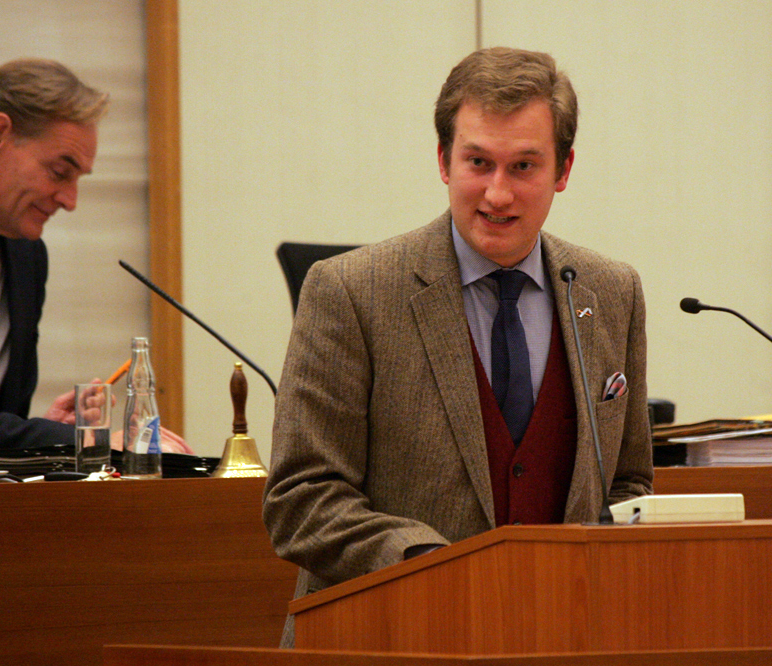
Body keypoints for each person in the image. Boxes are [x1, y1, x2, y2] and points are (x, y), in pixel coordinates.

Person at [263, 47, 652, 645]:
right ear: (444, 160)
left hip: (560, 637)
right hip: (387, 638)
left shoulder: (611, 292)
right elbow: (300, 500)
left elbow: (629, 485)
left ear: (564, 169)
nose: (498, 194)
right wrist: (426, 564)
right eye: (478, 162)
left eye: (523, 166)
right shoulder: (350, 291)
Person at [0, 58, 190, 455]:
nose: (70, 200)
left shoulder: (25, 256)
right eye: (59, 172)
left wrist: (42, 434)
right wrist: (68, 441)